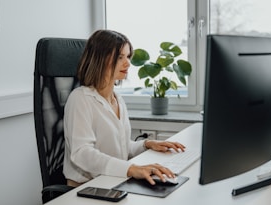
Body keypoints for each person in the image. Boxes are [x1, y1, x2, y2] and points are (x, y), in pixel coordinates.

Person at [63, 29, 186, 187]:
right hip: (86, 189)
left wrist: (147, 144)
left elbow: (120, 147)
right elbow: (82, 153)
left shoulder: (118, 99)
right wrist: (131, 168)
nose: (127, 63)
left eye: (128, 56)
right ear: (99, 58)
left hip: (114, 182)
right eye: (120, 57)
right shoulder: (80, 99)